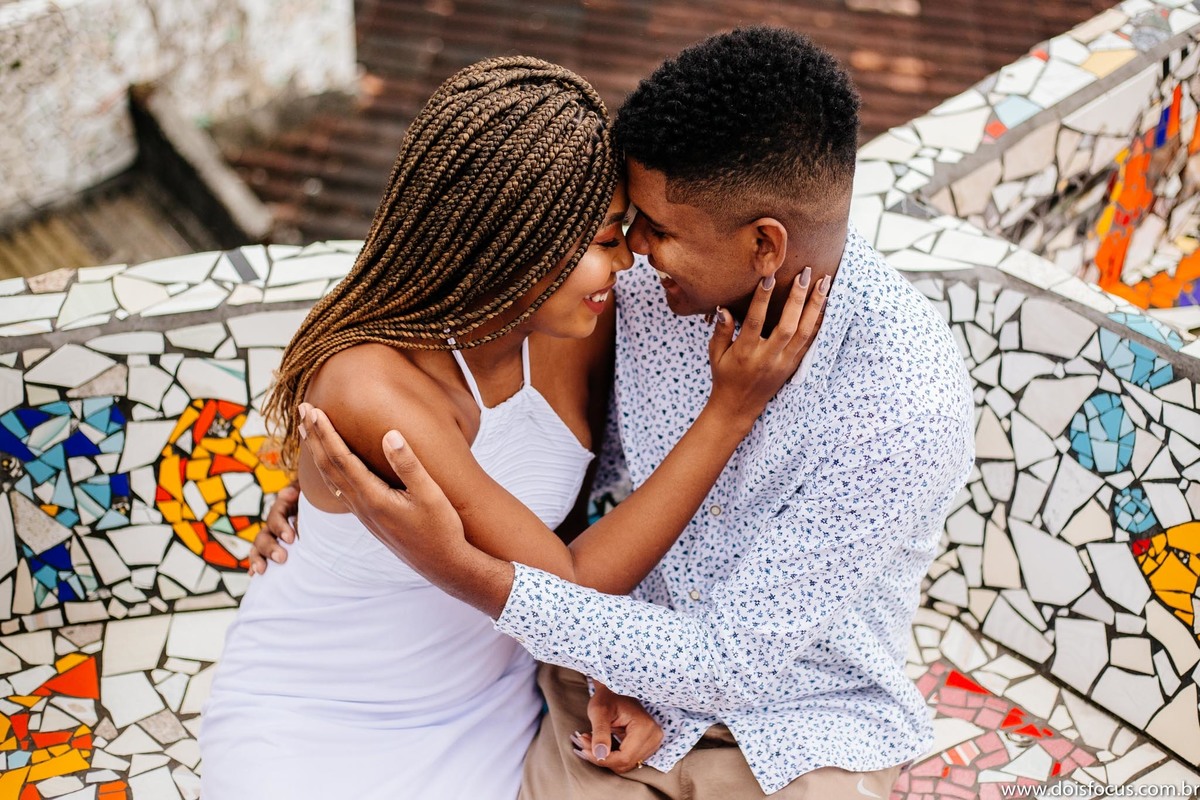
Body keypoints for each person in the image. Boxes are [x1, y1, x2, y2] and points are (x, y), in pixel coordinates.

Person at [288, 26, 976, 800]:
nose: (632, 249)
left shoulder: (905, 400)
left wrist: (464, 567)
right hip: (604, 688)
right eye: (625, 227)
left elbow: (729, 662)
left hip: (804, 720)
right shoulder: (636, 293)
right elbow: (554, 453)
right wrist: (331, 484)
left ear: (764, 246)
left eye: (655, 228)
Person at [200, 55, 826, 799]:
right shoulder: (373, 389)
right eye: (603, 242)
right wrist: (731, 410)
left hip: (494, 705)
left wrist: (614, 667)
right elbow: (570, 588)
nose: (629, 258)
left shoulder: (581, 325)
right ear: (511, 246)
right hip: (321, 713)